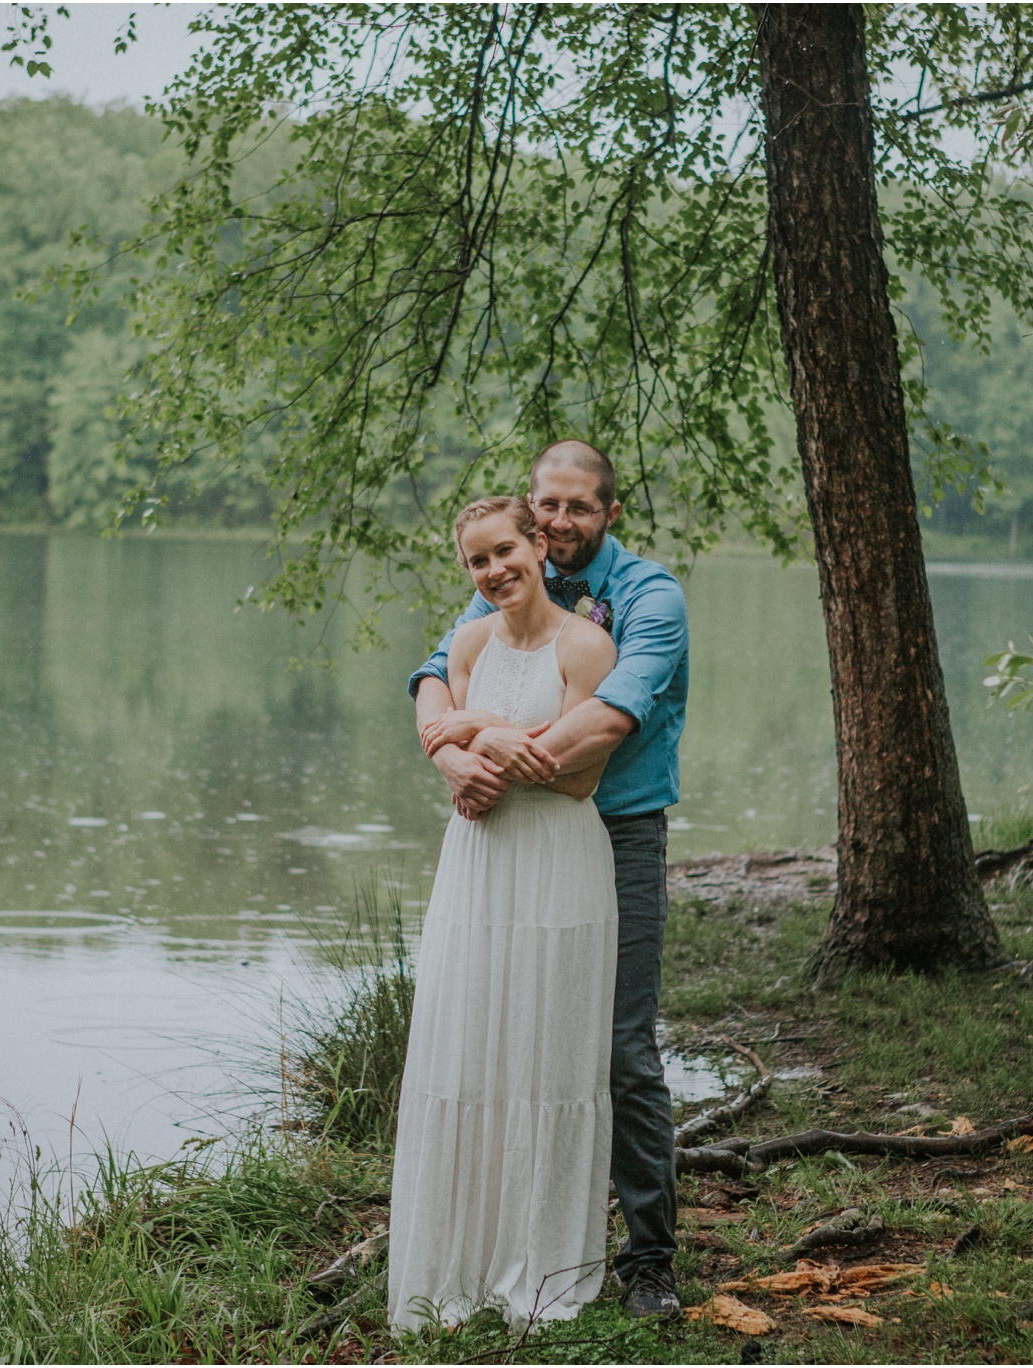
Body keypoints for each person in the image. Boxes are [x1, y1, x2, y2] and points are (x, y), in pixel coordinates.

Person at [409, 441, 690, 1320]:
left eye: (578, 507)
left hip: (616, 830)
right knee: (501, 1037)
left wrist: (483, 745)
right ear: (530, 513)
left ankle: (650, 1261)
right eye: (548, 506)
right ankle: (498, 1238)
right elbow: (435, 672)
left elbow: (608, 719)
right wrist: (447, 754)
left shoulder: (650, 597)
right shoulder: (511, 572)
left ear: (609, 512)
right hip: (507, 840)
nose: (558, 522)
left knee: (619, 1049)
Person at [387, 495, 625, 1329]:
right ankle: (462, 1261)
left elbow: (579, 776)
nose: (493, 572)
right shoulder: (471, 639)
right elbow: (440, 738)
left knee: (548, 1056)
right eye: (476, 561)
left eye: (504, 551)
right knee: (469, 1050)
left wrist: (478, 735)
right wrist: (470, 745)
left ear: (538, 546)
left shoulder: (588, 644)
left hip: (559, 859)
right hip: (478, 862)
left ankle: (542, 1269)